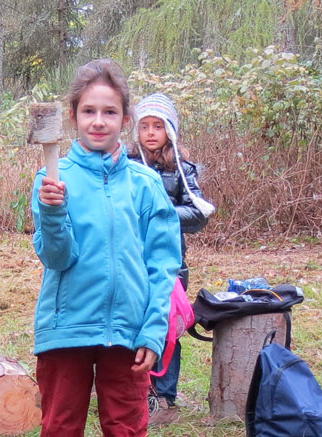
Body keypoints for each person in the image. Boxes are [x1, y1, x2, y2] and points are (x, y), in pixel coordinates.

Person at [31, 58, 183, 437]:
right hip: (67, 327)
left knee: (126, 429)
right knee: (61, 428)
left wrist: (151, 331)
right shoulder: (53, 178)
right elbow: (57, 257)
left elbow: (163, 267)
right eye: (89, 111)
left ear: (125, 118)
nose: (98, 121)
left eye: (109, 112)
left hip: (128, 333)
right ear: (73, 116)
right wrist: (53, 213)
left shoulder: (145, 185)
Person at [126, 91, 211, 425]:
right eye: (144, 126)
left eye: (157, 126)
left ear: (169, 131)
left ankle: (165, 396)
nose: (150, 133)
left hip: (171, 263)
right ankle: (138, 389)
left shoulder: (181, 169)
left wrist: (159, 214)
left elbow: (199, 214)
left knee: (166, 326)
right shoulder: (126, 164)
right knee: (134, 321)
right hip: (132, 260)